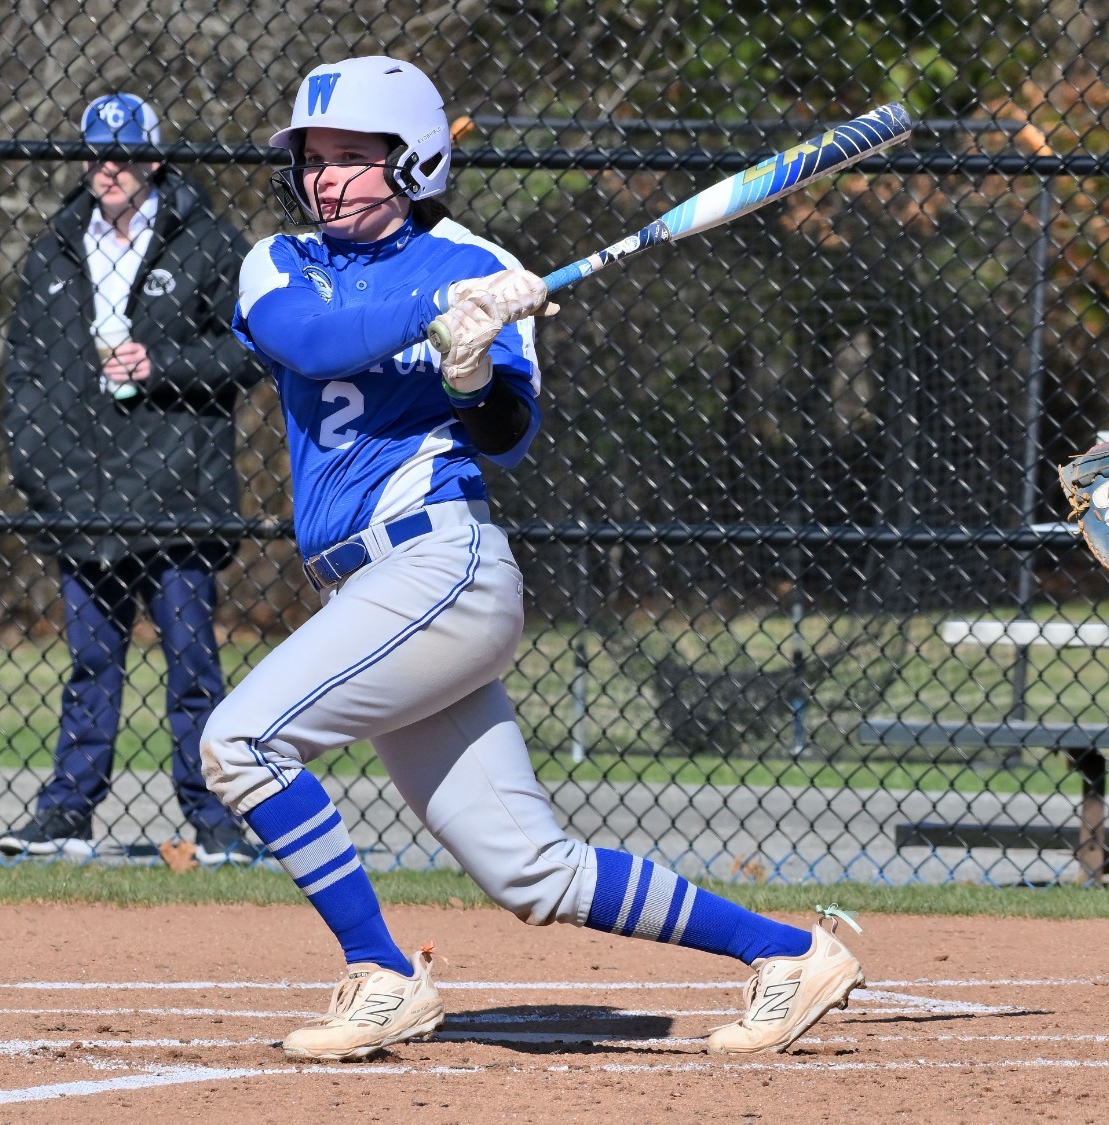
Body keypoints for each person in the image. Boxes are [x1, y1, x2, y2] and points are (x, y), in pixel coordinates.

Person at [200, 56, 867, 1061]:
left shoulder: (473, 262)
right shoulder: (281, 260)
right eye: (313, 159)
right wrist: (434, 319)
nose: (324, 179)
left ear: (412, 161)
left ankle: (380, 973)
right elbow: (308, 342)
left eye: (351, 159)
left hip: (439, 568)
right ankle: (789, 955)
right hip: (363, 587)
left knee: (239, 744)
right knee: (528, 873)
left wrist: (469, 370)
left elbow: (505, 431)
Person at [0, 94, 267, 863]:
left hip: (176, 487)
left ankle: (215, 822)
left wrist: (162, 365)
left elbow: (249, 353)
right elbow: (24, 369)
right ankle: (67, 813)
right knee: (90, 663)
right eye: (97, 156)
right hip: (82, 490)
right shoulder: (55, 247)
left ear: (154, 159)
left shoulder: (209, 245)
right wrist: (35, 463)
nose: (108, 170)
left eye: (123, 155)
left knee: (191, 663)